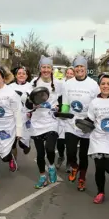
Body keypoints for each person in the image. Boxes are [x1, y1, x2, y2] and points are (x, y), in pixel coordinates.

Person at [85, 73, 109, 204]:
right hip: (99, 138)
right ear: (99, 85)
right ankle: (100, 192)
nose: (105, 86)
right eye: (103, 84)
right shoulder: (94, 102)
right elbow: (90, 119)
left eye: (108, 84)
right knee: (100, 167)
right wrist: (82, 123)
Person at [62, 56, 100, 191]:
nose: (79, 69)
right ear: (74, 68)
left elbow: (97, 104)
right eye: (76, 66)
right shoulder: (68, 84)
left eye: (81, 67)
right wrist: (63, 114)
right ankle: (74, 166)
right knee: (71, 151)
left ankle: (82, 178)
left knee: (83, 154)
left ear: (86, 69)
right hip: (71, 122)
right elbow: (65, 103)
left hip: (86, 123)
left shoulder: (93, 85)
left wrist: (93, 120)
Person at [28, 56, 64, 188]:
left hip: (51, 121)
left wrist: (59, 107)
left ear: (52, 69)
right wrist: (32, 104)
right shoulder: (33, 83)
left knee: (49, 148)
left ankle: (52, 166)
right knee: (40, 154)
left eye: (48, 67)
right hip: (37, 122)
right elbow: (27, 102)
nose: (46, 70)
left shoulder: (59, 84)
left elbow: (62, 100)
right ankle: (43, 176)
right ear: (40, 68)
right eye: (44, 67)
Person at [8, 66, 33, 162]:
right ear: (15, 75)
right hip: (13, 117)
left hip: (25, 117)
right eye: (19, 73)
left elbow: (34, 102)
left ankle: (26, 145)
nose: (21, 75)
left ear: (27, 76)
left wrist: (32, 112)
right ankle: (13, 161)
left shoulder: (31, 86)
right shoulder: (10, 87)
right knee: (13, 142)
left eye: (24, 73)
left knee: (22, 143)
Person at [54, 67, 76, 170]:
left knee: (70, 142)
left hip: (71, 117)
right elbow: (56, 97)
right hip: (61, 116)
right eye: (68, 73)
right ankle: (61, 157)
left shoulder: (77, 87)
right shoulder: (61, 85)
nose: (69, 75)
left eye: (72, 74)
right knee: (60, 141)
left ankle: (69, 162)